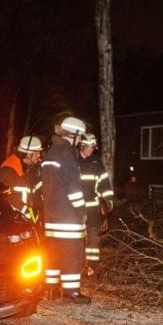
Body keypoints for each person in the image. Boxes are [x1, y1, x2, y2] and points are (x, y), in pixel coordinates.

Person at [41, 116, 90, 303]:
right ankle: (71, 293)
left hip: (51, 215)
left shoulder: (51, 153)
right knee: (72, 253)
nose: (80, 140)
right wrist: (81, 211)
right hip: (68, 216)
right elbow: (73, 187)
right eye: (80, 136)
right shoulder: (67, 154)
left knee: (53, 252)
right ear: (74, 134)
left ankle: (51, 289)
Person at [77, 133, 114, 277]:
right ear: (82, 146)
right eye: (90, 147)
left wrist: (108, 204)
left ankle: (92, 268)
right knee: (78, 241)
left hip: (93, 211)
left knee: (94, 240)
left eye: (93, 147)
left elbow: (104, 185)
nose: (92, 149)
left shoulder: (96, 163)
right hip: (76, 210)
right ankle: (78, 266)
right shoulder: (73, 162)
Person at [0, 135, 43, 222]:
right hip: (16, 223)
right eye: (37, 152)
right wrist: (31, 217)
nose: (39, 156)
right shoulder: (8, 171)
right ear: (28, 154)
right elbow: (10, 201)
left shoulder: (30, 168)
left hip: (29, 220)